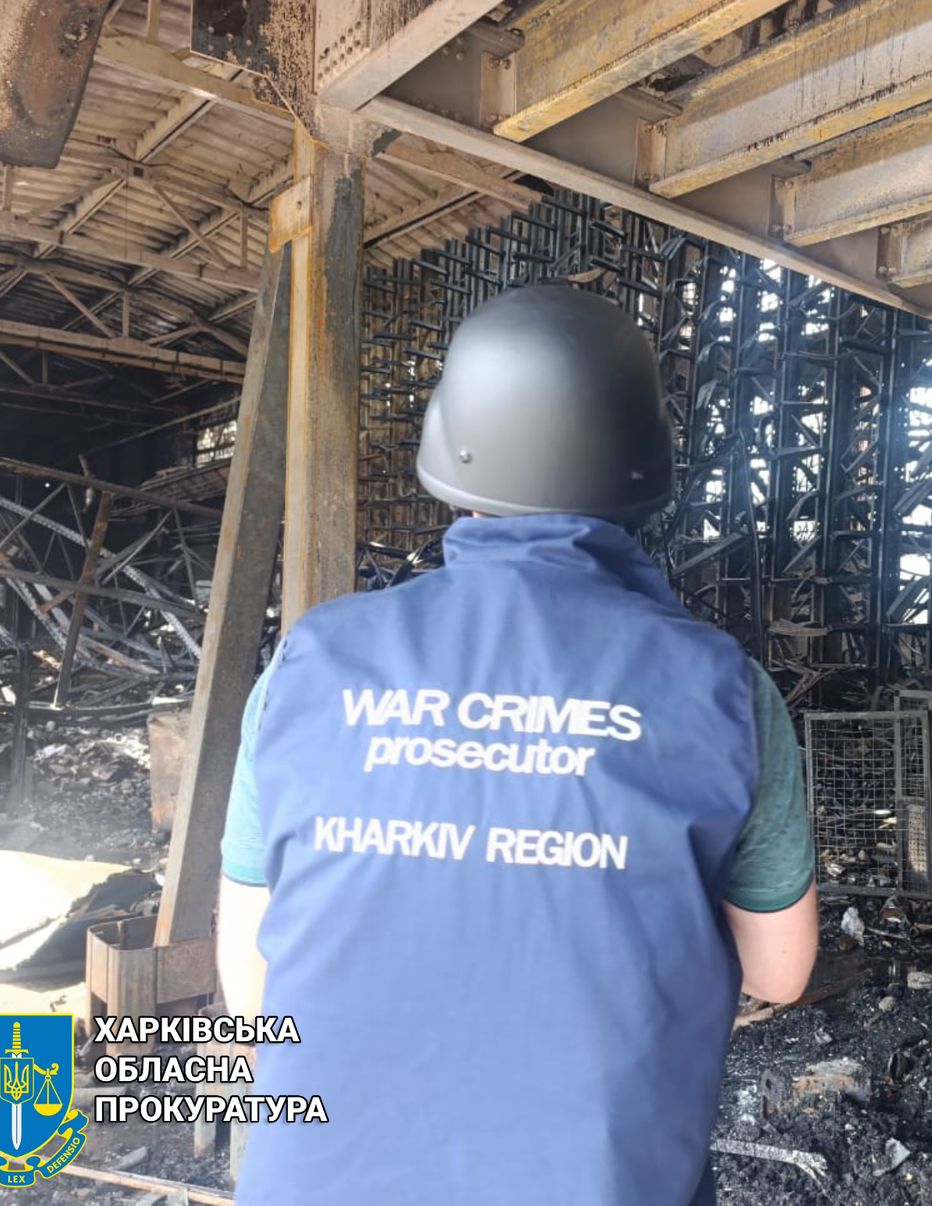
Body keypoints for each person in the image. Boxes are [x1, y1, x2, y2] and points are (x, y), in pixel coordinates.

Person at [215, 285, 819, 1206]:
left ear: (448, 442)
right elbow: (781, 970)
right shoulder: (723, 690)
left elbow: (253, 984)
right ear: (644, 457)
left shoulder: (309, 665)